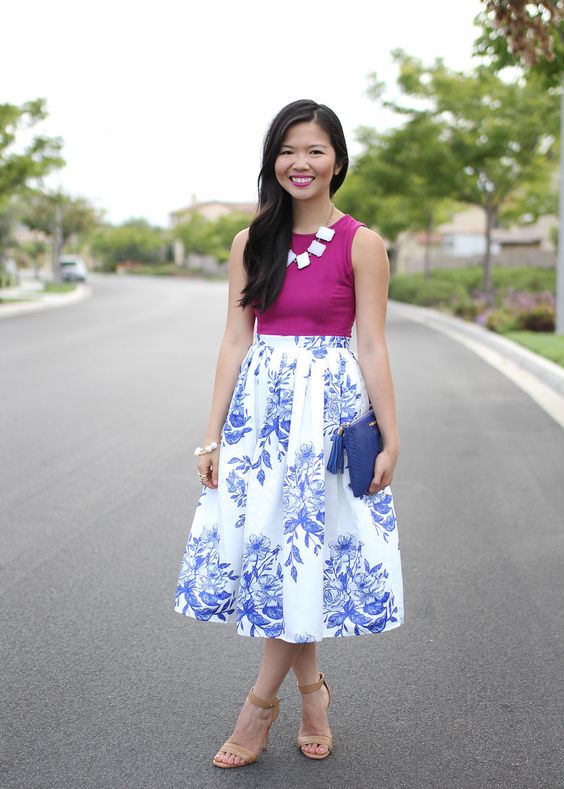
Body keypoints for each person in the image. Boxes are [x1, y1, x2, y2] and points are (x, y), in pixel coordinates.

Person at [173, 99, 404, 768]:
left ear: (338, 161)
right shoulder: (252, 241)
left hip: (329, 423)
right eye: (287, 150)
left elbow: (373, 345)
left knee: (301, 559)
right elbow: (235, 338)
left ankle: (257, 708)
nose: (300, 163)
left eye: (315, 150)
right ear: (273, 161)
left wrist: (390, 435)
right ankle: (313, 693)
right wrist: (211, 436)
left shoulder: (363, 243)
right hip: (262, 422)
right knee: (278, 557)